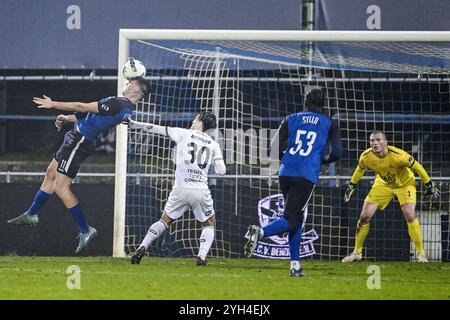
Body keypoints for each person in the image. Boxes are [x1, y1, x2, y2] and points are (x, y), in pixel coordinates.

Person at [7, 78, 150, 254]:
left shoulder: (119, 104)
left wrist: (53, 104)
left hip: (80, 141)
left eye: (130, 84)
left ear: (135, 91)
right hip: (76, 135)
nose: (125, 84)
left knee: (61, 187)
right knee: (50, 173)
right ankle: (31, 214)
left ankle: (85, 230)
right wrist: (67, 118)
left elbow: (83, 107)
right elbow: (92, 116)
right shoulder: (123, 107)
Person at [244, 88, 343, 277]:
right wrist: (321, 160)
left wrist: (287, 157)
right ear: (323, 104)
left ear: (305, 102)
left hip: (285, 172)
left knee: (295, 218)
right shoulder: (330, 123)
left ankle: (295, 266)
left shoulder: (290, 118)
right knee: (291, 218)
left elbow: (273, 147)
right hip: (305, 175)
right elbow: (338, 153)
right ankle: (261, 233)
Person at [127, 111, 226, 266]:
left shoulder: (183, 133)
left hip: (180, 188)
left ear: (200, 122)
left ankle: (142, 246)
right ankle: (201, 257)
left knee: (165, 220)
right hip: (200, 189)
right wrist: (213, 160)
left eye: (195, 119)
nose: (193, 121)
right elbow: (222, 170)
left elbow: (155, 127)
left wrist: (135, 124)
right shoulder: (213, 144)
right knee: (209, 223)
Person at [342, 131, 440, 263]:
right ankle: (356, 253)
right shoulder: (366, 156)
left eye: (378, 140)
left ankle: (421, 254)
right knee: (364, 217)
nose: (375, 143)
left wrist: (429, 184)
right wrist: (351, 186)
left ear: (386, 142)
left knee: (410, 215)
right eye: (372, 141)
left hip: (404, 184)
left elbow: (417, 166)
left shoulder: (399, 156)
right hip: (383, 184)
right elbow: (360, 170)